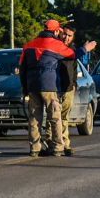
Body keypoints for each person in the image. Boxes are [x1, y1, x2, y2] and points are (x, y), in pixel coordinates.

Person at [18, 19, 75, 157]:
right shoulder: (56, 44)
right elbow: (72, 55)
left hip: (32, 85)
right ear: (56, 31)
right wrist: (86, 48)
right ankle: (57, 147)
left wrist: (25, 88)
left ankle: (35, 148)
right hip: (49, 85)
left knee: (34, 117)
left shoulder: (28, 45)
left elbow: (22, 68)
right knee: (55, 116)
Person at [52, 25, 98, 157]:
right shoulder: (56, 47)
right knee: (54, 118)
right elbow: (69, 56)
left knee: (64, 118)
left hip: (68, 88)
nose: (66, 37)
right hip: (55, 88)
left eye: (69, 35)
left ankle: (65, 144)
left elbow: (73, 64)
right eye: (64, 34)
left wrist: (74, 84)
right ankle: (54, 143)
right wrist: (84, 49)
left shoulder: (72, 49)